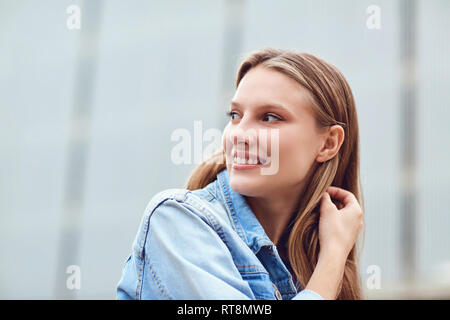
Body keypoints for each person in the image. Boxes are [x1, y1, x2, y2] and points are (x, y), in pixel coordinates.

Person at [116, 48, 365, 300]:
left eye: (269, 117)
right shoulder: (175, 222)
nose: (238, 134)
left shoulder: (309, 262)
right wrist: (333, 255)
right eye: (235, 115)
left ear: (328, 143)